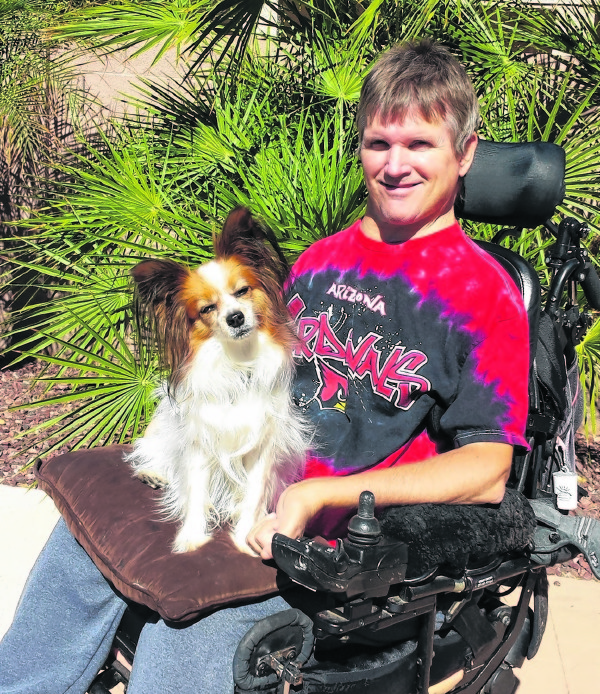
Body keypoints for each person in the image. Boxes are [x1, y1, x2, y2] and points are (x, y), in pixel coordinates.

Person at [0, 39, 529, 694]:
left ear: (466, 151)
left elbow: (488, 471)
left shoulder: (484, 295)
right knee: (82, 538)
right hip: (235, 493)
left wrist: (318, 495)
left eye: (419, 145)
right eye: (377, 144)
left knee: (185, 628)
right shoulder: (319, 261)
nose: (394, 166)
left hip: (327, 553)